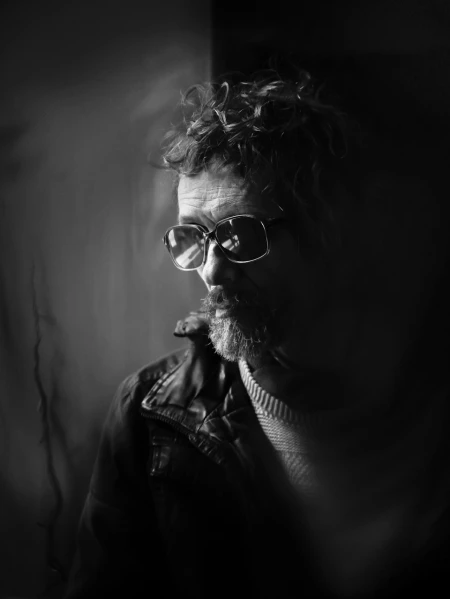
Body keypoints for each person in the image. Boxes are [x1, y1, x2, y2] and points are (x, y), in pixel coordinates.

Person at [65, 66, 450, 599]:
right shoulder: (148, 415)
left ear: (330, 233)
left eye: (240, 235)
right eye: (191, 238)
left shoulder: (429, 391)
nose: (212, 271)